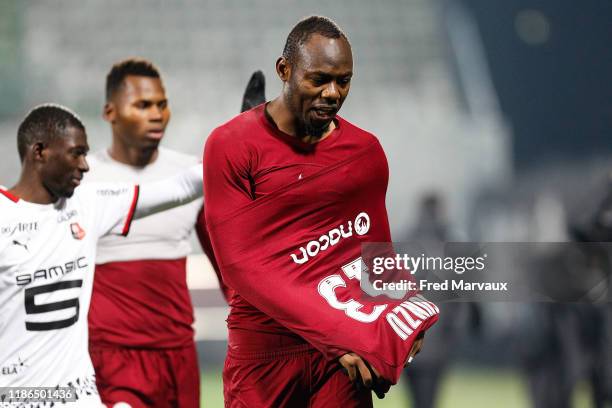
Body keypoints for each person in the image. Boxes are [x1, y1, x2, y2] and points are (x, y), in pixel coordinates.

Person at [204, 16, 438, 408]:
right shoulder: (229, 145)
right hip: (266, 351)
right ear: (285, 70)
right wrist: (333, 335)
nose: (332, 93)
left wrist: (404, 307)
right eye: (319, 79)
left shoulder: (365, 153)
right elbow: (240, 267)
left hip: (339, 357)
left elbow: (375, 258)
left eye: (343, 81)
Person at [0, 104, 202, 407]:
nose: (84, 165)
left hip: (81, 398)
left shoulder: (88, 204)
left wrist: (241, 142)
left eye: (86, 154)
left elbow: (181, 187)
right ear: (39, 152)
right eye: (75, 153)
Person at [83, 58, 222, 408]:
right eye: (143, 105)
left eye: (162, 104)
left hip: (178, 356)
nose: (157, 114)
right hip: (112, 359)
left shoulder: (192, 174)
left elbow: (227, 266)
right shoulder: (80, 180)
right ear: (110, 112)